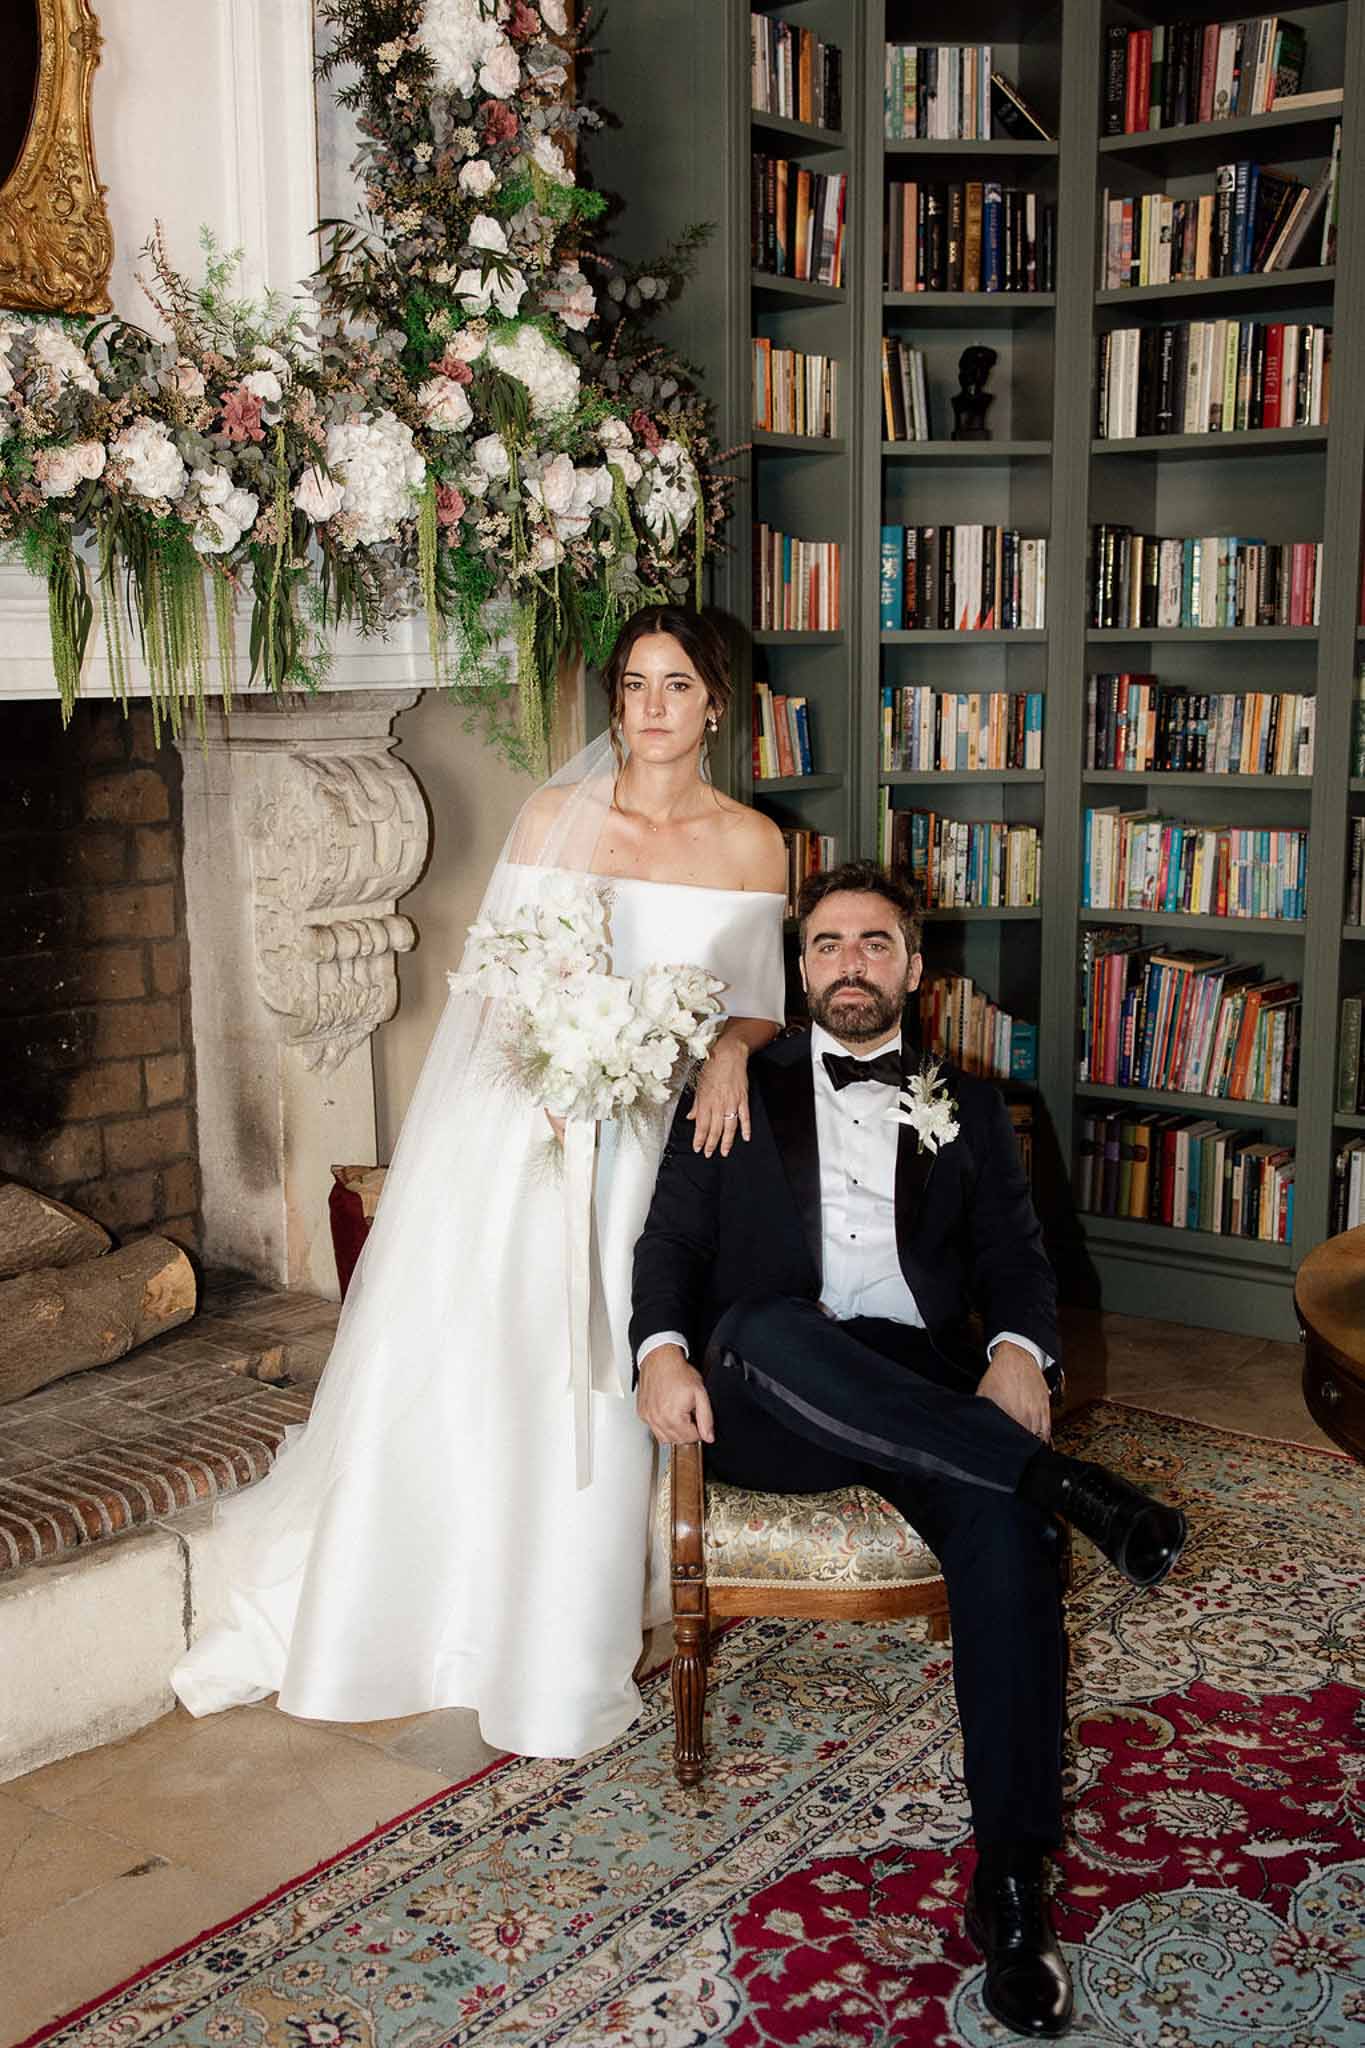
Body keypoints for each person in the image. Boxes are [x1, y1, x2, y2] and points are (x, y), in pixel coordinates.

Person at [171, 604, 787, 1759]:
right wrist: (554, 1072)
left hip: (653, 1137)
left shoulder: (753, 842)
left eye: (677, 684)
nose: (652, 707)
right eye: (635, 684)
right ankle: (435, 1601)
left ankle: (562, 1626)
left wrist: (731, 1051)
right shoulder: (556, 815)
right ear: (617, 702)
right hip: (531, 1120)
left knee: (611, 1350)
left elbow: (754, 1001)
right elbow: (503, 982)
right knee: (491, 1354)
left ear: (715, 703)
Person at [631, 859, 1188, 2042]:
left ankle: (1014, 1883)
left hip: (920, 1387)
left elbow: (1017, 1259)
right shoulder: (735, 1084)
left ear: (915, 968)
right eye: (828, 943)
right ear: (801, 968)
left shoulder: (968, 1103)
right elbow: (669, 1241)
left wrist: (1020, 1348)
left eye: (875, 942)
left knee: (1009, 1531)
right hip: (770, 1386)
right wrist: (661, 1350)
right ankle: (1065, 1481)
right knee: (764, 1325)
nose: (850, 963)